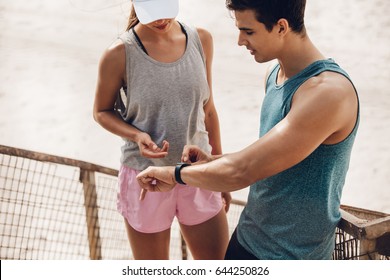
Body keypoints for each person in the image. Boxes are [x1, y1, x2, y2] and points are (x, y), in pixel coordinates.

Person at [136, 0, 360, 260]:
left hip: (290, 257)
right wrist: (213, 162)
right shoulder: (274, 74)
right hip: (245, 240)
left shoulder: (329, 94)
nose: (240, 41)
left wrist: (174, 174)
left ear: (281, 27)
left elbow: (243, 171)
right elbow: (267, 159)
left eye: (248, 31)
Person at [93, 0, 230, 260]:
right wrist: (137, 135)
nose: (160, 20)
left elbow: (208, 110)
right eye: (152, 12)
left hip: (198, 172)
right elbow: (101, 111)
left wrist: (219, 168)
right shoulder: (119, 53)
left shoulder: (202, 39)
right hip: (147, 179)